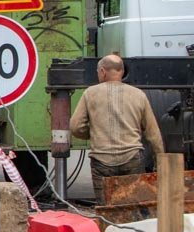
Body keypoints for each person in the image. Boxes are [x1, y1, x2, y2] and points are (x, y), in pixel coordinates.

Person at [70, 54, 165, 203]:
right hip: (132, 159)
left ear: (102, 71)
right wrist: (160, 161)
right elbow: (153, 133)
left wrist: (95, 133)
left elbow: (75, 127)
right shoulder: (138, 95)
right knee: (133, 205)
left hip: (101, 160)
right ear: (122, 71)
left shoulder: (90, 93)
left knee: (106, 207)